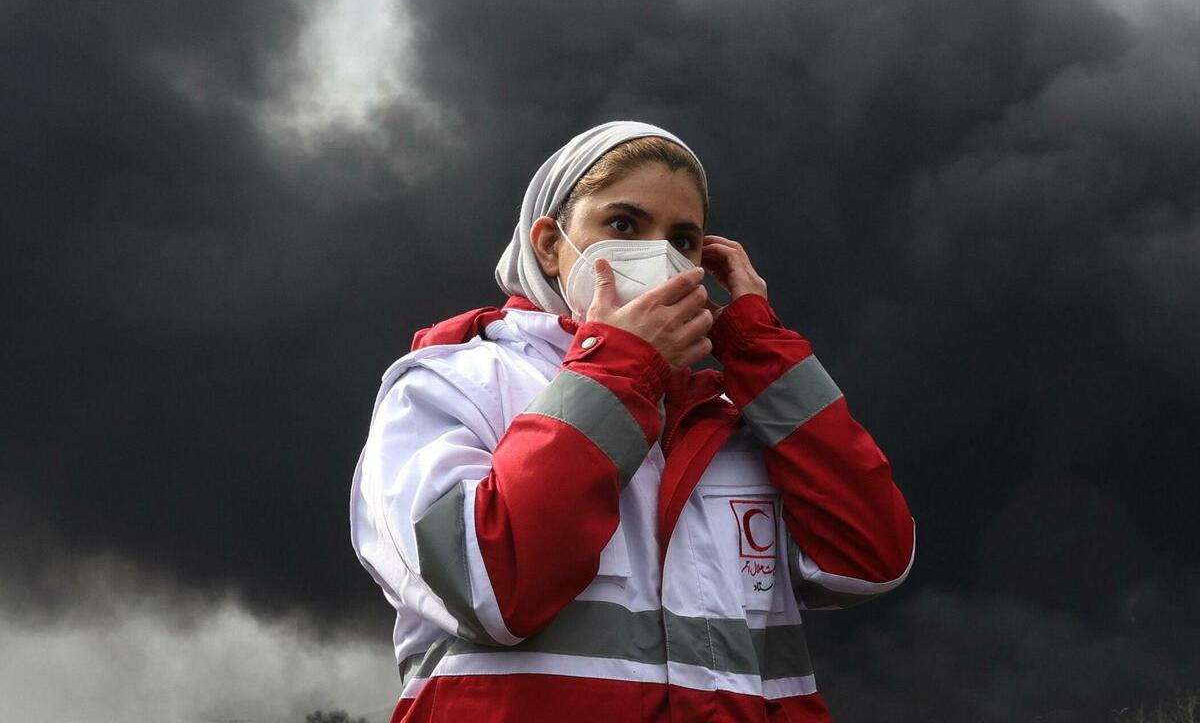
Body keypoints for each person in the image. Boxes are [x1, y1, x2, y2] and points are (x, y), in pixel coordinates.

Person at [350, 121, 915, 722]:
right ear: (549, 244)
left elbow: (870, 563)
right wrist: (622, 368)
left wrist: (757, 348)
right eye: (623, 225)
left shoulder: (730, 420)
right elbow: (485, 588)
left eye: (684, 239)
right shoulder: (450, 385)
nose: (658, 256)